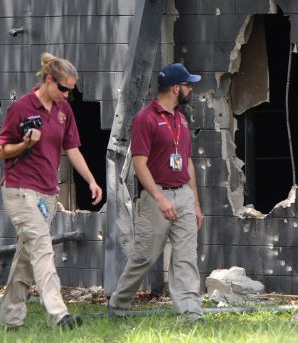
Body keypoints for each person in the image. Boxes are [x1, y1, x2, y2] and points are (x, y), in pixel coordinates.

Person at [0, 52, 102, 329]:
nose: (67, 95)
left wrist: (91, 180)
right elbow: (2, 150)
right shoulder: (21, 108)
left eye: (71, 90)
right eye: (63, 88)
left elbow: (72, 149)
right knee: (42, 248)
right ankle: (59, 315)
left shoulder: (63, 110)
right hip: (20, 190)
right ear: (48, 80)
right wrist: (25, 145)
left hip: (47, 194)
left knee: (26, 259)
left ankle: (10, 319)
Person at [109, 63, 204, 321]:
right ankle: (118, 305)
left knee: (186, 258)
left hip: (183, 194)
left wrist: (194, 202)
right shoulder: (146, 119)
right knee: (145, 257)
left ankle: (190, 312)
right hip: (155, 197)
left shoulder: (181, 120)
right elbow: (139, 164)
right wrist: (160, 199)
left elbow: (186, 161)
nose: (190, 89)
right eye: (187, 85)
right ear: (175, 88)